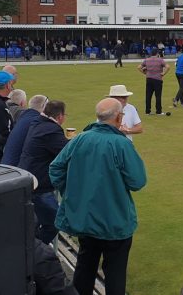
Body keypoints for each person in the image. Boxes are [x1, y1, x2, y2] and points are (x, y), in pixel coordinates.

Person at [49, 98, 147, 295]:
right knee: (115, 274)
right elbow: (137, 181)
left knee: (85, 267)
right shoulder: (120, 143)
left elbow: (56, 169)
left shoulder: (80, 139)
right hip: (115, 221)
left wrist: (72, 193)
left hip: (85, 218)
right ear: (118, 117)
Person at [19, 100, 69, 245]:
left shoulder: (38, 123)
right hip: (40, 185)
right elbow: (67, 152)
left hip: (30, 178)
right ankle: (35, 252)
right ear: (60, 116)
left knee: (36, 222)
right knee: (55, 221)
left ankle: (33, 249)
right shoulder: (51, 130)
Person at [1, 94, 49, 167]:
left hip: (7, 165)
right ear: (44, 107)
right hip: (15, 169)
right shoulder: (36, 121)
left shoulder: (25, 117)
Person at [139, 49, 169, 116]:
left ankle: (147, 111)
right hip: (158, 79)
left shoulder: (147, 60)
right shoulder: (160, 60)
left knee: (148, 95)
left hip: (149, 79)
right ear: (157, 53)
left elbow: (139, 67)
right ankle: (158, 111)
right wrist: (163, 73)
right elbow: (168, 67)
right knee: (158, 96)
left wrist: (145, 73)